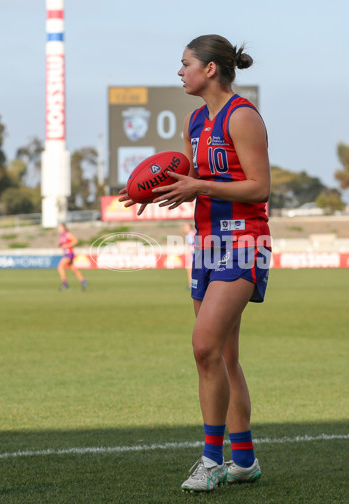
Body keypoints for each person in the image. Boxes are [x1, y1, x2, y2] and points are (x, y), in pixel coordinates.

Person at [119, 33, 270, 493]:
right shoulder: (196, 120)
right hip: (206, 244)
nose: (179, 71)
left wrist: (199, 187)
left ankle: (210, 459)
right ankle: (243, 460)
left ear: (210, 69)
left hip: (243, 242)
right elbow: (197, 180)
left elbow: (259, 188)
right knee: (224, 356)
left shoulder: (242, 117)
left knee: (204, 346)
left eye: (185, 64)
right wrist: (152, 189)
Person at [56, 223, 88, 291]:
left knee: (60, 267)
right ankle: (83, 282)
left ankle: (64, 283)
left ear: (64, 228)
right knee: (74, 269)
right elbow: (63, 243)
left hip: (69, 254)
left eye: (60, 228)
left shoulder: (68, 234)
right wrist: (60, 244)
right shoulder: (62, 235)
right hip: (66, 253)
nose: (58, 229)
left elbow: (76, 241)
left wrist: (67, 245)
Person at [184, 223, 195, 289]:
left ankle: (192, 285)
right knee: (189, 269)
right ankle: (191, 284)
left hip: (193, 253)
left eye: (186, 227)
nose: (185, 229)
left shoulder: (192, 234)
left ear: (190, 228)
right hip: (191, 253)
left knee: (190, 269)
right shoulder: (188, 235)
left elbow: (195, 243)